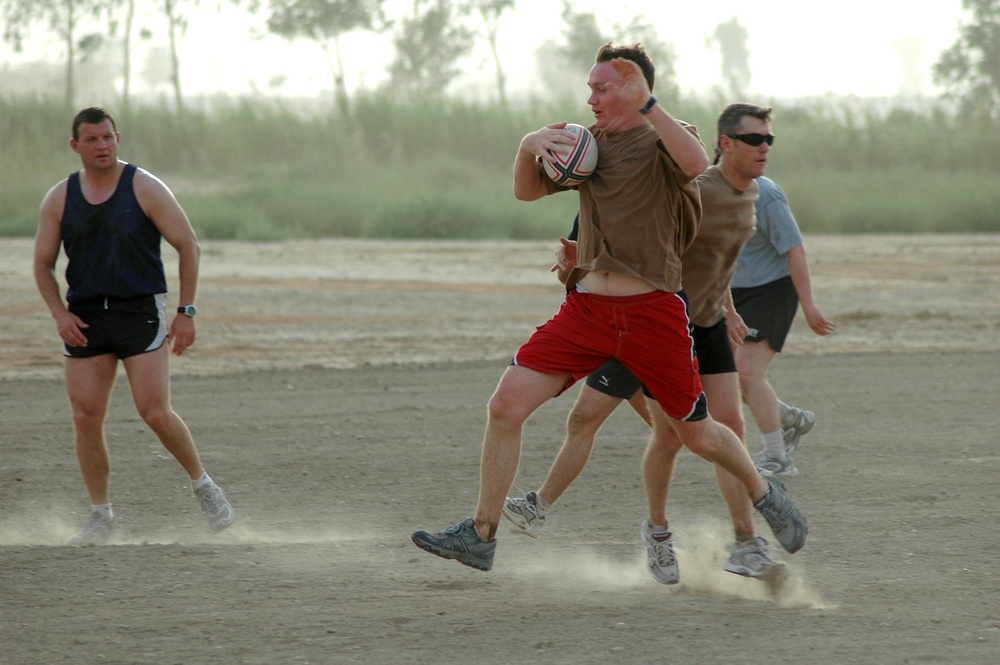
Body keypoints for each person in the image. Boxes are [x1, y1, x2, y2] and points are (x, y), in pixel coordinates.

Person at [411, 43, 806, 573]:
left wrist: (649, 106)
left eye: (602, 87)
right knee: (505, 405)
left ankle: (764, 493)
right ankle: (482, 533)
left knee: (695, 432)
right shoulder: (586, 146)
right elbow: (526, 192)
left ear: (633, 88)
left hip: (653, 314)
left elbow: (694, 163)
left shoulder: (667, 134)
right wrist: (528, 145)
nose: (591, 96)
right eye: (591, 87)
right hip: (588, 312)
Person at [503, 104, 790, 584]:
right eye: (755, 140)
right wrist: (574, 260)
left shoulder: (746, 194)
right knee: (621, 425)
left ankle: (746, 542)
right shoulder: (664, 175)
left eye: (768, 140)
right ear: (726, 143)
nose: (764, 148)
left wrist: (729, 310)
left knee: (710, 432)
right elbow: (602, 239)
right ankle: (651, 530)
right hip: (646, 318)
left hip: (689, 324)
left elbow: (712, 258)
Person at [33, 106, 236, 546]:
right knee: (85, 417)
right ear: (76, 146)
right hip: (86, 317)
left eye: (108, 137)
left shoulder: (143, 186)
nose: (102, 146)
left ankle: (205, 487)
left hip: (139, 311)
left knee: (154, 411)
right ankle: (101, 515)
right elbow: (42, 264)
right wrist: (60, 315)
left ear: (117, 138)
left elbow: (189, 245)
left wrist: (187, 310)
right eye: (92, 139)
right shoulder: (61, 198)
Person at [732, 174, 835, 477]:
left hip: (771, 290)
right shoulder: (710, 188)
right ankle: (790, 419)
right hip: (731, 294)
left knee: (746, 374)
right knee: (721, 378)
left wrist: (809, 306)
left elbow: (795, 250)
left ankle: (778, 457)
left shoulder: (766, 194)